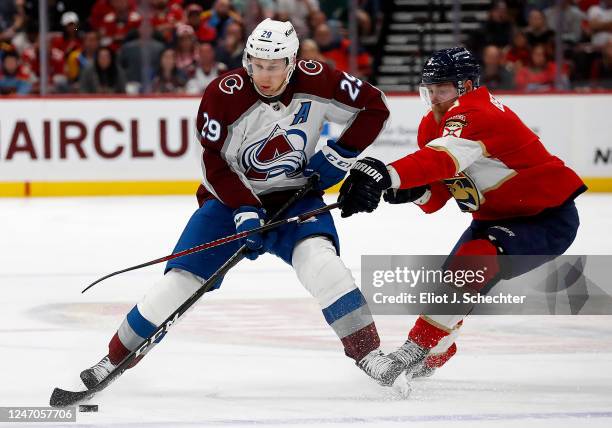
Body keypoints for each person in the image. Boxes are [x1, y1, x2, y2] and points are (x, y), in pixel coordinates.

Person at [78, 18, 409, 395]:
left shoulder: (320, 80)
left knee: (323, 265)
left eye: (272, 66)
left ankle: (370, 354)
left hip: (296, 196)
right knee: (178, 283)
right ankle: (115, 356)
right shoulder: (223, 94)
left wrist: (338, 156)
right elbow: (214, 162)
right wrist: (244, 208)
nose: (263, 75)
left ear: (293, 61)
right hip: (227, 204)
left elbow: (373, 107)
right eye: (256, 64)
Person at [337, 47, 586, 380]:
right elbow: (439, 193)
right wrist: (409, 191)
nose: (435, 97)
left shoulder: (478, 113)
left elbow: (440, 161)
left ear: (466, 86)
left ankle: (414, 349)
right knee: (452, 286)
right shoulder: (432, 124)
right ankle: (434, 355)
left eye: (444, 89)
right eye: (430, 89)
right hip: (492, 219)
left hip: (546, 218)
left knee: (474, 260)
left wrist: (387, 173)